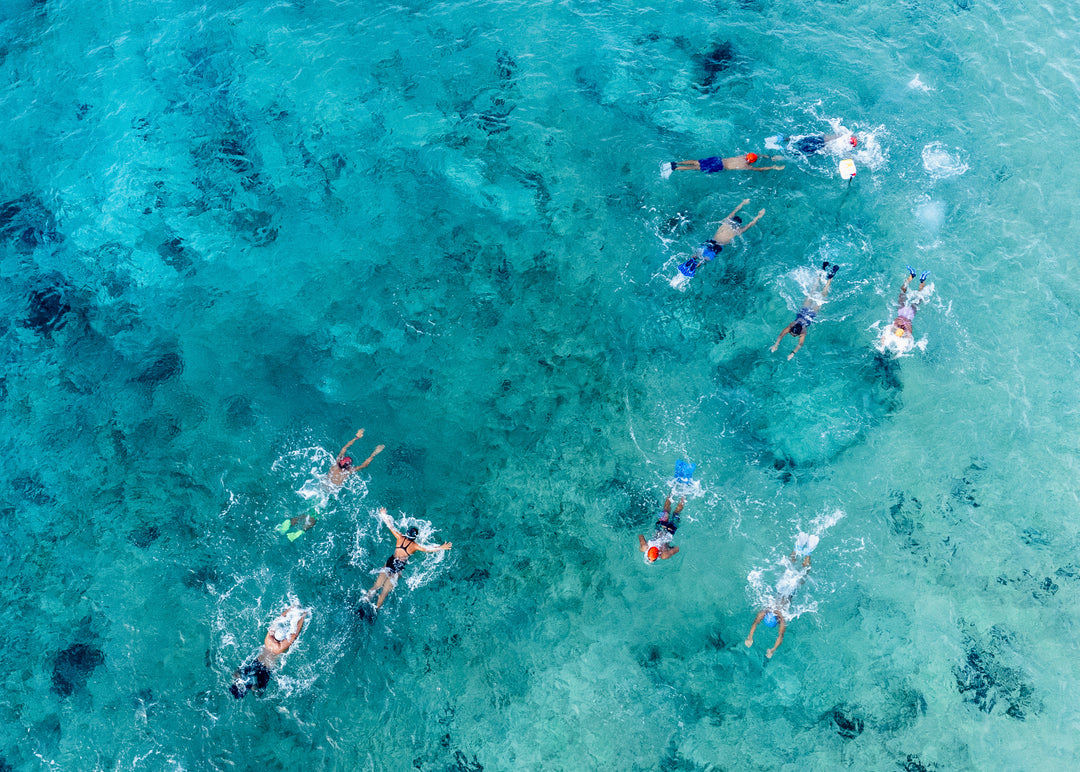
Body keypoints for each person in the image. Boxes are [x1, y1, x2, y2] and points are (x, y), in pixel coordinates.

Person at [277, 428, 384, 539]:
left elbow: (344, 448)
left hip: (318, 490)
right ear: (348, 467)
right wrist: (374, 453)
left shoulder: (335, 463)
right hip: (327, 496)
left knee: (309, 511)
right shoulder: (347, 472)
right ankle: (297, 531)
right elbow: (364, 465)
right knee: (313, 519)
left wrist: (356, 437)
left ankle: (289, 523)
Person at [363, 508, 452, 610]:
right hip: (398, 568)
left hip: (390, 563)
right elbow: (427, 549)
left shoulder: (400, 537)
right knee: (384, 593)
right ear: (415, 537)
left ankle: (365, 601)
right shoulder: (414, 546)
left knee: (375, 586)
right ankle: (375, 610)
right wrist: (442, 547)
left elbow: (390, 526)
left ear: (407, 533)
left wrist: (383, 515)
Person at [744, 546, 812, 658]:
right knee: (788, 569)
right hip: (781, 587)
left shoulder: (782, 618)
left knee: (803, 576)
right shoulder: (766, 610)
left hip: (791, 591)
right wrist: (750, 637)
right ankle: (796, 549)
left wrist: (773, 649)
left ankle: (808, 554)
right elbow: (755, 623)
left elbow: (780, 636)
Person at [675, 199, 765, 281]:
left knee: (698, 254)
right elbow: (751, 224)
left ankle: (691, 260)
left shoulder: (726, 221)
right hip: (718, 247)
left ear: (732, 220)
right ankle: (695, 267)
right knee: (704, 260)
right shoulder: (738, 231)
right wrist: (759, 215)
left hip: (710, 241)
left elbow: (734, 211)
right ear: (738, 225)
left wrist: (743, 203)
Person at [229, 606, 309, 698]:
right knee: (253, 684)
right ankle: (249, 686)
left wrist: (295, 612)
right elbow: (288, 631)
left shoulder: (272, 643)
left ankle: (247, 686)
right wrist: (300, 614)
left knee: (257, 689)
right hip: (262, 666)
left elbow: (279, 625)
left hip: (261, 665)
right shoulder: (272, 643)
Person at [770, 262, 840, 360]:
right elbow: (782, 335)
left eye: (793, 334)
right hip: (804, 311)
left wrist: (792, 353)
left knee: (820, 295)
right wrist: (776, 345)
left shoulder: (802, 332)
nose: (792, 335)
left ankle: (828, 277)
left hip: (811, 314)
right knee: (813, 292)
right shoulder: (792, 326)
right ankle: (824, 273)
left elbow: (799, 344)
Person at [878, 266, 930, 351]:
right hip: (905, 313)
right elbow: (885, 336)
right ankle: (916, 278)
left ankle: (916, 278)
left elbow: (885, 335)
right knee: (907, 292)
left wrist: (883, 347)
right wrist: (883, 347)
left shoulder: (898, 329)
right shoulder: (902, 330)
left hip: (906, 313)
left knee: (916, 295)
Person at [638, 496, 685, 562]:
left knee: (677, 512)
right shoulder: (644, 547)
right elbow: (640, 534)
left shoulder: (664, 555)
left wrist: (668, 547)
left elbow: (677, 549)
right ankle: (672, 493)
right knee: (666, 509)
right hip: (660, 526)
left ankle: (684, 496)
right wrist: (641, 547)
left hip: (671, 530)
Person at [664, 152, 784, 175]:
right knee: (695, 168)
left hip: (718, 160)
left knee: (697, 162)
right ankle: (674, 169)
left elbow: (757, 154)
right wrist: (773, 167)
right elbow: (759, 169)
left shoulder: (743, 156)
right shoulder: (746, 166)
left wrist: (767, 156)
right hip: (719, 166)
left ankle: (674, 163)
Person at [766, 133, 858, 155]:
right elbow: (827, 150)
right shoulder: (841, 148)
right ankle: (780, 148)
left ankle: (781, 138)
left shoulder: (840, 135)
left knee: (798, 139)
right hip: (818, 147)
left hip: (818, 139)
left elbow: (826, 136)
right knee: (797, 151)